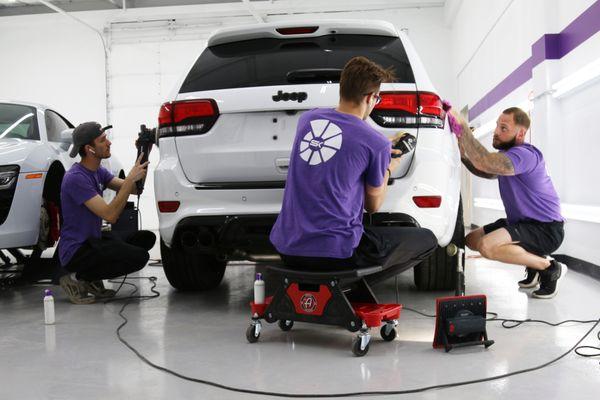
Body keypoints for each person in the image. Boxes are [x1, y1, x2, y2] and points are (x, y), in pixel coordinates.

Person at [269, 56, 437, 287]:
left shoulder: (307, 120)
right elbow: (373, 206)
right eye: (376, 98)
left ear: (343, 88)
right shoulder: (375, 143)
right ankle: (350, 286)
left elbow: (341, 147)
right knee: (427, 240)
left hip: (288, 249)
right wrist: (387, 166)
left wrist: (379, 147)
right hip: (336, 255)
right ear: (370, 97)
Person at [452, 107, 566, 299]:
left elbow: (486, 162)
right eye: (497, 126)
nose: (496, 132)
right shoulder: (510, 155)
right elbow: (488, 171)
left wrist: (462, 126)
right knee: (471, 240)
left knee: (487, 247)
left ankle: (549, 268)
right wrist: (462, 156)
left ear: (521, 133)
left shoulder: (524, 155)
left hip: (545, 229)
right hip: (522, 222)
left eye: (503, 128)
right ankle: (534, 264)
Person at [58, 122, 156, 304]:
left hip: (93, 240)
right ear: (90, 149)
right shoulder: (75, 178)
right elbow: (110, 215)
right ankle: (77, 277)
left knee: (145, 239)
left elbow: (135, 189)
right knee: (140, 257)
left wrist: (144, 152)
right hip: (77, 250)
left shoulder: (98, 171)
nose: (109, 143)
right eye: (102, 140)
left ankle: (90, 278)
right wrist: (129, 180)